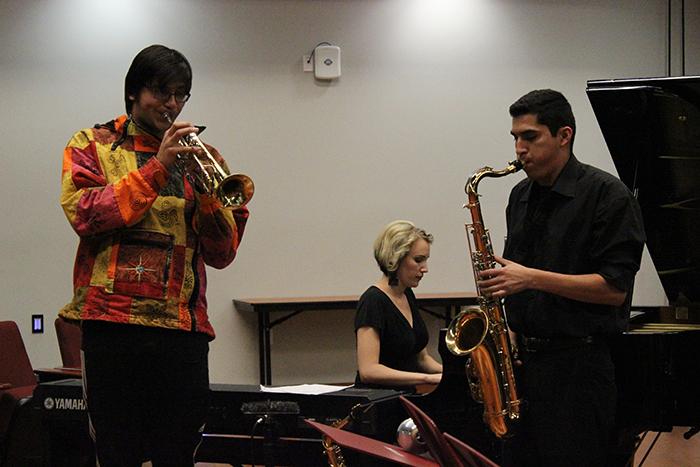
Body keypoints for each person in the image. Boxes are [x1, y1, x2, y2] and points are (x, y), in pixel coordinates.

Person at [59, 44, 249, 466]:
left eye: (181, 94)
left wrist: (208, 201)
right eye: (161, 92)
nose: (172, 104)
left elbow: (223, 254)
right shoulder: (92, 144)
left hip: (182, 329)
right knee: (116, 452)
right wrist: (157, 167)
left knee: (178, 453)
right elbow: (86, 214)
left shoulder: (205, 158)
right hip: (112, 327)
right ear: (133, 92)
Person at [476, 89, 645, 466]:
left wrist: (531, 279)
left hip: (579, 369)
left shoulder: (608, 196)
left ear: (564, 135)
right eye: (516, 138)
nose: (520, 148)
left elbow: (614, 290)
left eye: (530, 137)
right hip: (523, 370)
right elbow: (515, 279)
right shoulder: (519, 196)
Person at [354, 220, 443, 393]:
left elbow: (421, 358)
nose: (425, 269)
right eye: (418, 260)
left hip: (405, 396)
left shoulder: (407, 294)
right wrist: (427, 378)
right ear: (395, 259)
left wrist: (454, 374)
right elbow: (369, 370)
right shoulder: (372, 301)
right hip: (378, 402)